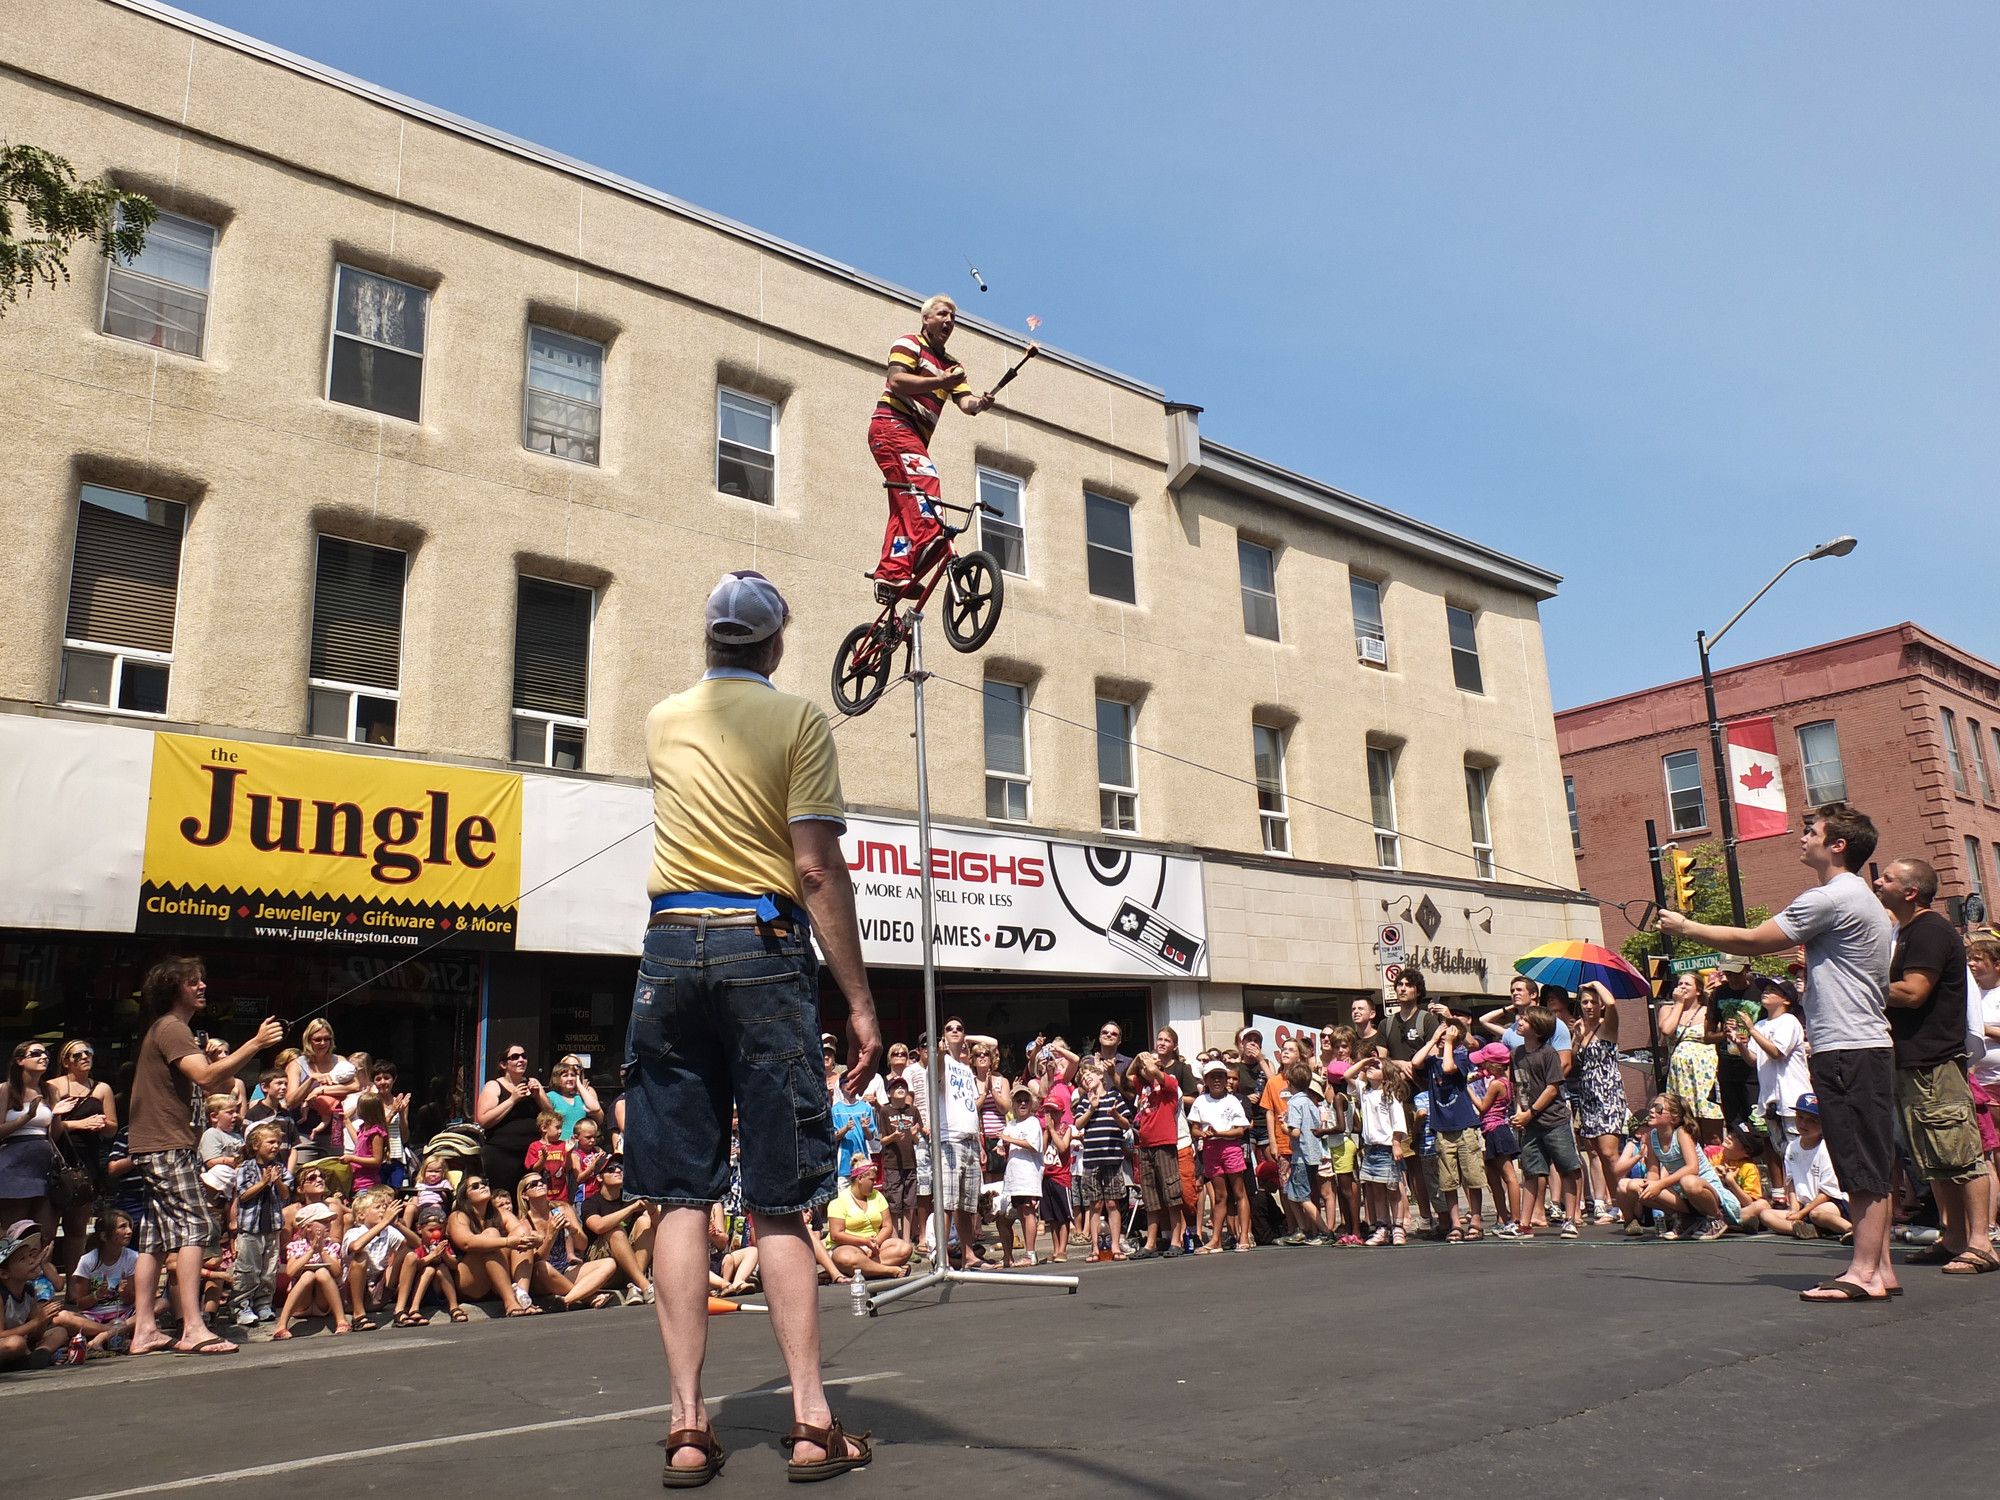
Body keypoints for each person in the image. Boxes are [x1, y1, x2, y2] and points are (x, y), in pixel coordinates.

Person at [624, 569, 882, 1486]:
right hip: (761, 946)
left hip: (668, 949)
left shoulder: (662, 719)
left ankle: (688, 1424)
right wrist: (856, 999)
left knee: (681, 1194)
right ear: (774, 646)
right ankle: (811, 1422)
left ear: (708, 641)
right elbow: (815, 870)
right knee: (776, 1192)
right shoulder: (801, 721)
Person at [1660, 801, 1899, 1302]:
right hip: (1863, 1046)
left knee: (1860, 1163)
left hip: (1847, 1049)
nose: (1802, 837)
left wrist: (1686, 928)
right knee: (1869, 1159)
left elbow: (1753, 941)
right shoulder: (1862, 901)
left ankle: (1862, 1273)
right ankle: (1880, 1269)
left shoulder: (1830, 898)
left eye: (1811, 831)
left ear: (1838, 844)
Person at [124, 957, 282, 1356]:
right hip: (166, 1143)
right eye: (192, 982)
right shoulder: (172, 1028)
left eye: (201, 981)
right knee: (196, 1228)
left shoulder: (173, 1031)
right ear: (172, 988)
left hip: (157, 1143)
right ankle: (193, 1328)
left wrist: (212, 1057)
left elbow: (221, 1079)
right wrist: (257, 1043)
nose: (201, 987)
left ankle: (145, 1330)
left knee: (155, 1240)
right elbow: (209, 1079)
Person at [1875, 858, 1993, 1274]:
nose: (1877, 881)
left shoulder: (1928, 929)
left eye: (1887, 878)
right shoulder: (1905, 931)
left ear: (1911, 891)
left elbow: (1913, 991)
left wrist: (1860, 985)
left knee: (1961, 1154)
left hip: (1936, 1062)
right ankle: (1954, 1237)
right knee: (1934, 1156)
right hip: (1913, 1061)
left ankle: (1982, 1243)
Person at [866, 294, 1010, 601]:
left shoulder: (952, 367)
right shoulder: (910, 344)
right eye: (943, 315)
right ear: (926, 319)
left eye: (953, 318)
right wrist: (939, 382)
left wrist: (980, 404)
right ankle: (928, 540)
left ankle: (892, 575)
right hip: (892, 423)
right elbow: (897, 382)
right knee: (926, 482)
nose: (949, 321)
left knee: (905, 505)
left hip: (913, 436)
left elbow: (965, 402)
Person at [1508, 1006, 1583, 1238]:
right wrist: (1520, 1112)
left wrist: (1529, 1113)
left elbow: (1552, 1088)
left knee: (1567, 1168)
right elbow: (1517, 1087)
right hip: (1530, 1124)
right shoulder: (1517, 1054)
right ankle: (1524, 1223)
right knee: (1531, 1172)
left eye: (1525, 1020)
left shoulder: (1548, 1053)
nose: (1519, 1022)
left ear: (1538, 1030)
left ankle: (1570, 1219)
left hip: (1554, 1121)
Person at [1413, 1009, 1487, 1240]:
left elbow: (1449, 1068)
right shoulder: (1433, 1060)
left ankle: (1475, 1219)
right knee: (1448, 1180)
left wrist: (1450, 1043)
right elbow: (1415, 1062)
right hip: (1442, 1128)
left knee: (1472, 1176)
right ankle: (1455, 1223)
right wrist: (1434, 1040)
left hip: (1464, 1125)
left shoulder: (1463, 1059)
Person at [45, 1040, 117, 1275]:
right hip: (56, 1158)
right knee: (47, 1228)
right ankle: (43, 1287)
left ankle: (75, 1290)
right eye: (78, 1055)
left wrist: (101, 1124)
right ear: (66, 1063)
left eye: (89, 1052)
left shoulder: (102, 1089)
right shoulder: (52, 1087)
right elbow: (49, 1129)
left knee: (77, 1228)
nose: (85, 1057)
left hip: (86, 1160)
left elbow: (113, 1128)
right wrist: (79, 1124)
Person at [1616, 1094, 1730, 1239]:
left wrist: (1660, 1185)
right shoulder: (1652, 1136)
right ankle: (1684, 1219)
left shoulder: (1682, 1133)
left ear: (1674, 1118)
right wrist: (1650, 1187)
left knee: (1688, 1181)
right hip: (1681, 1192)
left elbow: (1692, 1168)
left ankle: (1716, 1217)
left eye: (1658, 1108)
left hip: (1703, 1189)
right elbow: (1652, 1169)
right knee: (1635, 1186)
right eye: (1652, 1106)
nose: (1652, 1111)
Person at [1755, 1095, 1852, 1240]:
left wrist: (1801, 1213)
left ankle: (1850, 1229)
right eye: (1800, 1117)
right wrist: (1794, 1209)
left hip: (1830, 1203)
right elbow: (1791, 1182)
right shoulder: (1792, 1147)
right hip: (1804, 1206)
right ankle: (1810, 1229)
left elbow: (1827, 1193)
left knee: (1817, 1214)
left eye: (1812, 1120)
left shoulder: (1827, 1149)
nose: (1803, 1123)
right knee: (1766, 1215)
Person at [1571, 982, 1629, 1224]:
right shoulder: (1582, 1029)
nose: (1589, 1006)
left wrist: (1596, 984)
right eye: (1584, 1002)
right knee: (1595, 1151)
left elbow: (1613, 1003)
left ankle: (1627, 1203)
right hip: (1588, 1096)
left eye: (1594, 1001)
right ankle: (1614, 1205)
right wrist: (1577, 1038)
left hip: (1608, 1094)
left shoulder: (1608, 1025)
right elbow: (1574, 1060)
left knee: (1609, 1152)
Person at [447, 1173, 539, 1315]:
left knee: (521, 1231)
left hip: (498, 1278)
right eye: (475, 1186)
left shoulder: (499, 1213)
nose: (483, 1186)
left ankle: (522, 1297)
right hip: (471, 1282)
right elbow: (466, 1242)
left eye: (484, 1182)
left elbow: (522, 1232)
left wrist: (537, 1239)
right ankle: (509, 1302)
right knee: (491, 1235)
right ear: (465, 1197)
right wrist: (507, 1241)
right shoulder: (458, 1216)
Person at [1738, 976, 1810, 1156]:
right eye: (1765, 990)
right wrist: (1739, 1044)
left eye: (1772, 991)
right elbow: (1754, 1060)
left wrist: (1751, 1031)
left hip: (1792, 1098)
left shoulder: (1789, 1021)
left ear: (1786, 1000)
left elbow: (1777, 1052)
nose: (1766, 993)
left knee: (1799, 1152)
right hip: (1770, 1100)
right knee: (1783, 1154)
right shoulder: (1760, 1025)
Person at [229, 1122, 292, 1326]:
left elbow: (286, 1194)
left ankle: (264, 1303)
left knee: (269, 1269)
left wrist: (276, 1181)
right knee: (248, 1269)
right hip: (251, 1229)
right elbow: (243, 1195)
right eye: (271, 1142)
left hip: (272, 1228)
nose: (275, 1146)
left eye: (278, 1143)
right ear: (256, 1145)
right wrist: (263, 1183)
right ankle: (241, 1305)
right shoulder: (246, 1167)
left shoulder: (279, 1168)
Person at [0, 1042, 57, 1257]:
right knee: (12, 1233)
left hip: (43, 1165)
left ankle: (38, 1282)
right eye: (36, 1053)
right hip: (14, 1164)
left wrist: (57, 1114)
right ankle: (7, 1282)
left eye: (45, 1053)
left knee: (45, 1232)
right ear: (20, 1060)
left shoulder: (50, 1090)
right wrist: (27, 1117)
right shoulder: (6, 1089)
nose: (43, 1056)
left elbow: (56, 1134)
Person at [1656, 973, 1725, 1145]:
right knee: (1687, 1130)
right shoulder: (1668, 1010)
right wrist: (1679, 1004)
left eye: (1687, 984)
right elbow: (1666, 1030)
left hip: (1705, 1075)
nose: (1682, 987)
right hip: (1681, 1076)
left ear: (1699, 991)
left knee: (1712, 1133)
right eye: (1680, 983)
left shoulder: (1708, 1011)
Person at [1129, 1051, 1185, 1258]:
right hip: (1146, 1144)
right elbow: (1130, 1074)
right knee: (1150, 1195)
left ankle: (1176, 1241)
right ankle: (1150, 1243)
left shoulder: (1169, 1084)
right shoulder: (1145, 1088)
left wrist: (1151, 1062)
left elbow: (1153, 1070)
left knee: (1172, 1194)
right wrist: (1139, 1059)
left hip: (1164, 1144)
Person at [580, 1156, 656, 1304]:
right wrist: (632, 1208)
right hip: (603, 1266)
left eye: (620, 1168)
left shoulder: (629, 1198)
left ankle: (635, 1285)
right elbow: (598, 1226)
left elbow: (659, 1227)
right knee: (615, 1230)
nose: (618, 1171)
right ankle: (644, 1285)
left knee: (645, 1221)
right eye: (611, 1169)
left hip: (629, 1265)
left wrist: (651, 1208)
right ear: (599, 1178)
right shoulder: (591, 1203)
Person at [1075, 1062, 1132, 1260]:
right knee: (1095, 1205)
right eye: (1083, 1078)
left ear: (1100, 1076)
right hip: (1091, 1160)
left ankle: (1115, 1246)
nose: (1086, 1078)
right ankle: (1095, 1248)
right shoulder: (1084, 1100)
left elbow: (1126, 1124)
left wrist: (1115, 1114)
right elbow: (1078, 1123)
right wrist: (1092, 1108)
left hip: (1113, 1159)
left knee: (1112, 1203)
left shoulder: (1114, 1097)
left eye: (1089, 1074)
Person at [476, 1045, 548, 1196]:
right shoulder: (494, 1086)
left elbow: (551, 1117)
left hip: (531, 1155)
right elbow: (483, 1120)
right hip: (502, 1154)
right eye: (515, 1057)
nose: (521, 1060)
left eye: (524, 1056)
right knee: (503, 1198)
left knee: (531, 1197)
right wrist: (512, 1100)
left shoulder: (533, 1083)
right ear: (504, 1064)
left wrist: (538, 1097)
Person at [824, 1161, 911, 1281]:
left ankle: (863, 1269)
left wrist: (875, 1244)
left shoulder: (877, 1196)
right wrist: (864, 1241)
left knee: (904, 1248)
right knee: (845, 1258)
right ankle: (889, 1270)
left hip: (874, 1247)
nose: (875, 1183)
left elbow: (887, 1226)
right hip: (848, 1247)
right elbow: (836, 1234)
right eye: (871, 1180)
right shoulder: (839, 1201)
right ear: (860, 1179)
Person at [271, 1202, 345, 1338]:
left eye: (329, 1222)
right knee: (308, 1275)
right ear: (309, 1227)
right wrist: (311, 1252)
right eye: (323, 1222)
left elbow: (337, 1272)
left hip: (322, 1303)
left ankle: (341, 1320)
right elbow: (291, 1272)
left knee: (322, 1272)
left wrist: (322, 1251)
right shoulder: (296, 1246)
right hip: (302, 1305)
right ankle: (281, 1325)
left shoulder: (331, 1245)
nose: (328, 1225)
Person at [1355, 1056, 1406, 1245]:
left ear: (1385, 1076)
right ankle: (1382, 1227)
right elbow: (1347, 1075)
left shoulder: (1389, 1095)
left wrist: (1396, 1143)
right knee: (1376, 1190)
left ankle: (1398, 1226)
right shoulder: (1364, 1092)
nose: (1370, 1068)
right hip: (1370, 1149)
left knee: (1392, 1189)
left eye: (1376, 1067)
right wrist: (1363, 1063)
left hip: (1386, 1148)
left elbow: (1398, 1122)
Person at [1469, 1042, 1520, 1234]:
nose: (1481, 1067)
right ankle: (1503, 1217)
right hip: (1490, 1132)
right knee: (1493, 1177)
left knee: (1509, 1176)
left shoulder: (1497, 1084)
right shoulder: (1505, 1081)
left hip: (1497, 1130)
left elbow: (1483, 1107)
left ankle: (1515, 1220)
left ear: (1494, 1065)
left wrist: (1468, 1090)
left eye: (1484, 1064)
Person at [1279, 1062, 1330, 1244]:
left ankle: (1324, 1231)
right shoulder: (1309, 1101)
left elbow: (1295, 1131)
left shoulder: (1295, 1103)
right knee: (1291, 1192)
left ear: (1290, 1083)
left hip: (1302, 1156)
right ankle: (1304, 1229)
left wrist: (1284, 1126)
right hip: (1312, 1153)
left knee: (1301, 1196)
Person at [998, 1087, 1045, 1266]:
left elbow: (1033, 1145)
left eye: (1026, 1100)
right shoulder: (1011, 1125)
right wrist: (1001, 1147)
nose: (1023, 1104)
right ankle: (1014, 1254)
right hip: (1013, 1178)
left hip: (1028, 1175)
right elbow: (1004, 1143)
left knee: (1027, 1211)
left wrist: (1009, 1141)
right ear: (1013, 1105)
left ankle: (1031, 1253)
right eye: (1019, 1101)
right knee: (1018, 1214)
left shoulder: (1033, 1122)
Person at [546, 1055, 602, 1142]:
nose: (570, 1078)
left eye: (573, 1075)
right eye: (565, 1075)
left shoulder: (581, 1096)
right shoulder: (551, 1096)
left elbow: (596, 1109)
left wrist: (579, 1084)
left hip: (581, 1149)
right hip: (561, 1148)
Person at [524, 1111, 573, 1205]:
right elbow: (535, 1169)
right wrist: (544, 1158)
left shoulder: (563, 1145)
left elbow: (568, 1168)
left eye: (561, 1128)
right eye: (557, 1127)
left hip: (561, 1197)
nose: (560, 1131)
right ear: (544, 1128)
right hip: (543, 1196)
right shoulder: (534, 1146)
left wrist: (569, 1153)